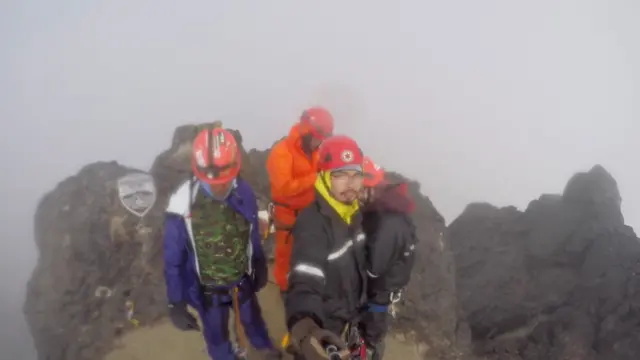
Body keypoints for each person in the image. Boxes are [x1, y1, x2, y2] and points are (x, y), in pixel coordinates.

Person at [163, 125, 281, 360]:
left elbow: (250, 230)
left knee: (253, 320)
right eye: (212, 178)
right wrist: (175, 302)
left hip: (241, 281)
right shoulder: (182, 203)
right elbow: (172, 258)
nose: (219, 185)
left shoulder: (242, 191)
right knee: (216, 335)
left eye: (224, 178)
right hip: (208, 290)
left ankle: (264, 349)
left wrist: (257, 260)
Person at [285, 135, 368, 360]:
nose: (350, 184)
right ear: (324, 176)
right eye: (340, 175)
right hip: (324, 328)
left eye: (356, 175)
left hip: (347, 319)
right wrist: (307, 330)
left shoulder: (352, 213)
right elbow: (304, 282)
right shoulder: (313, 224)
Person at [266, 106, 334, 293]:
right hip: (287, 215)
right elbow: (283, 188)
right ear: (306, 131)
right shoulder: (281, 152)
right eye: (318, 137)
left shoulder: (314, 151)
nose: (320, 142)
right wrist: (315, 178)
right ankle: (285, 290)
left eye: (323, 138)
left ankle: (305, 287)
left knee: (309, 253)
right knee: (285, 258)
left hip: (310, 214)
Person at [359, 156, 418, 360]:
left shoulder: (389, 225)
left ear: (372, 188)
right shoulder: (388, 210)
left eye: (361, 188)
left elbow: (373, 268)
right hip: (386, 286)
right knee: (371, 332)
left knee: (370, 337)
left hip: (379, 291)